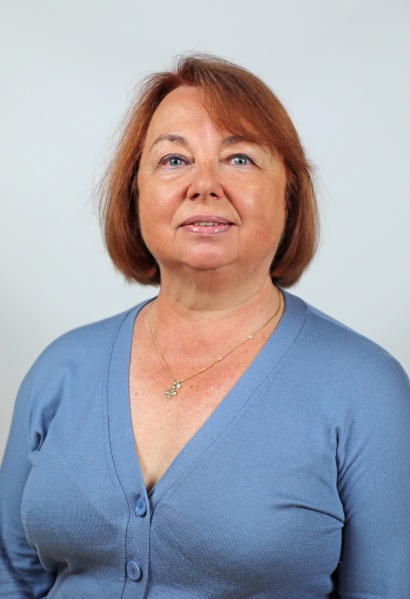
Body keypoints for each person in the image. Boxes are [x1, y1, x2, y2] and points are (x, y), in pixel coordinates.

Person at [0, 54, 409, 599]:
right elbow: (11, 575)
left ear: (290, 192)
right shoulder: (61, 368)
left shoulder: (366, 388)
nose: (204, 185)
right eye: (173, 159)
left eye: (239, 158)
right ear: (136, 191)